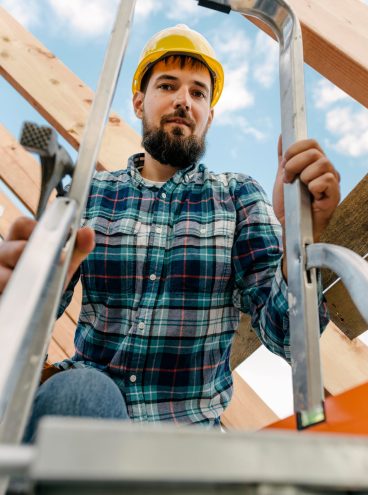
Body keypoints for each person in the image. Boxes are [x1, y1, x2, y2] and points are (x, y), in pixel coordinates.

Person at [0, 25, 340, 439]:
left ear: (209, 117)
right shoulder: (93, 194)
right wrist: (20, 287)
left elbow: (291, 339)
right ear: (140, 100)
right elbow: (32, 316)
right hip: (89, 415)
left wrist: (298, 241)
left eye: (198, 93)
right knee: (81, 389)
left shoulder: (237, 197)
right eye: (168, 85)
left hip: (184, 441)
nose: (184, 101)